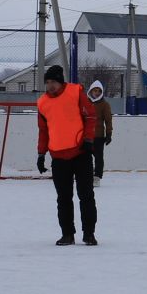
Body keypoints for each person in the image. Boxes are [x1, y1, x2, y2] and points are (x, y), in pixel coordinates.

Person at [35, 65, 99, 246]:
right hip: (59, 157)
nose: (50, 86)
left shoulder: (75, 92)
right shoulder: (42, 103)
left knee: (86, 195)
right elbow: (43, 131)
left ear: (60, 81)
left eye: (53, 82)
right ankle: (67, 234)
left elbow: (91, 116)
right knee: (63, 198)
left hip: (81, 153)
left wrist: (88, 140)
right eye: (47, 82)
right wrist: (41, 154)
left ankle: (89, 234)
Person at [87, 79, 113, 180]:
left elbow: (108, 120)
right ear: (91, 91)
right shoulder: (86, 103)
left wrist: (109, 134)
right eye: (95, 90)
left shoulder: (104, 104)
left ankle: (97, 176)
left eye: (99, 91)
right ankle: (87, 174)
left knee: (98, 158)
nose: (97, 93)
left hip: (98, 136)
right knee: (85, 157)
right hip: (86, 136)